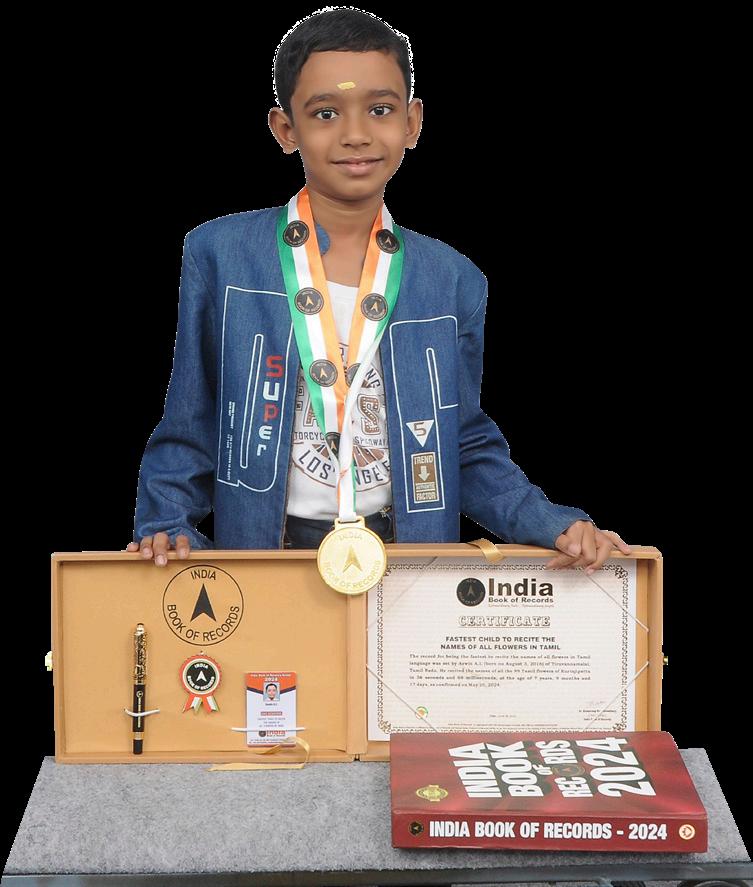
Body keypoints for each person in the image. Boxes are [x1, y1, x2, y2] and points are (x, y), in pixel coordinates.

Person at [127, 8, 631, 575]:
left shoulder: (453, 279)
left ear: (413, 123)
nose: (356, 134)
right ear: (285, 129)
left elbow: (463, 443)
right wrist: (166, 522)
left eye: (380, 109)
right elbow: (192, 419)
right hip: (265, 555)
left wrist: (551, 522)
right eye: (325, 113)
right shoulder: (221, 255)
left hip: (406, 560)